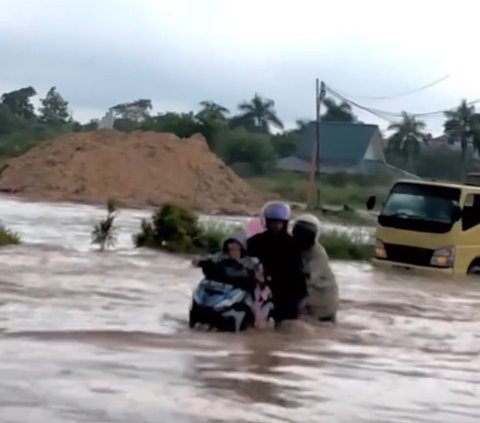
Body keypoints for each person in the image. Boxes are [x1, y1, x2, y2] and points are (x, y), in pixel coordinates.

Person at [191, 230, 273, 331]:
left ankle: (252, 323)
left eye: (236, 243)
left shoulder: (251, 261)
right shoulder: (219, 256)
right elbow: (205, 262)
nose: (232, 245)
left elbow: (260, 275)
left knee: (252, 307)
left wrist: (258, 275)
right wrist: (199, 262)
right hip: (221, 287)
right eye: (230, 242)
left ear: (242, 245)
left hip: (243, 290)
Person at [247, 201, 307, 325]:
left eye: (279, 223)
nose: (276, 226)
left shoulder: (293, 245)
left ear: (285, 223)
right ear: (266, 222)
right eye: (273, 222)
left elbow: (298, 273)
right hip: (259, 290)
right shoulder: (255, 241)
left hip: (285, 293)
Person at [291, 213, 339, 323]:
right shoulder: (292, 248)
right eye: (300, 232)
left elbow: (307, 277)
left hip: (323, 305)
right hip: (308, 302)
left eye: (306, 234)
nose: (302, 237)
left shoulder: (318, 254)